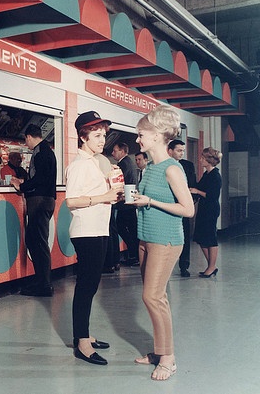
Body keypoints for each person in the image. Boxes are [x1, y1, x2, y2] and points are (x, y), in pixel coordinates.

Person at [129, 105, 194, 381]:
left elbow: (188, 209)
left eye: (141, 134)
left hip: (166, 240)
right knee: (157, 298)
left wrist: (151, 201)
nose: (138, 139)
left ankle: (168, 359)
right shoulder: (150, 168)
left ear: (156, 135)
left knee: (152, 296)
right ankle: (159, 350)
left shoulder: (172, 168)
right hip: (146, 238)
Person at [66, 111, 122, 366]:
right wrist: (104, 197)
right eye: (97, 135)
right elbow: (71, 202)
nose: (102, 140)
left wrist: (114, 194)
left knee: (91, 287)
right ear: (82, 136)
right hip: (86, 231)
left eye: (103, 135)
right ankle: (82, 343)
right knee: (86, 287)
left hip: (99, 229)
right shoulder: (78, 165)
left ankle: (85, 334)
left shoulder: (96, 163)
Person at [10, 124, 57, 297]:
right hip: (46, 200)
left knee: (38, 242)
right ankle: (41, 281)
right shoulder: (47, 151)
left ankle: (44, 284)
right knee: (34, 240)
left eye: (26, 140)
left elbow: (40, 179)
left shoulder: (40, 152)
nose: (26, 144)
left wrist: (21, 185)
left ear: (29, 136)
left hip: (39, 201)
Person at [191, 147, 223, 278]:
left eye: (203, 158)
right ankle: (211, 266)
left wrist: (197, 192)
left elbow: (212, 195)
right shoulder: (206, 174)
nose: (200, 160)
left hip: (210, 209)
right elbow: (199, 187)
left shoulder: (215, 176)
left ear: (209, 160)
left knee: (210, 238)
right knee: (201, 237)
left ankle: (211, 266)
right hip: (204, 208)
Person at [168, 139, 198, 277]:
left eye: (183, 151)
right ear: (170, 151)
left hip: (183, 206)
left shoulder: (188, 165)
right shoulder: (164, 166)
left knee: (184, 236)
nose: (181, 153)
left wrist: (191, 201)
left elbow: (193, 184)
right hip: (168, 206)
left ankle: (184, 265)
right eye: (179, 151)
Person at [112, 142, 139, 267]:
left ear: (122, 151)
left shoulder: (122, 164)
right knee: (131, 229)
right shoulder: (130, 162)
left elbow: (119, 183)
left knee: (121, 227)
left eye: (115, 151)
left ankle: (134, 254)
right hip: (130, 202)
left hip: (125, 203)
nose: (113, 153)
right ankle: (134, 255)